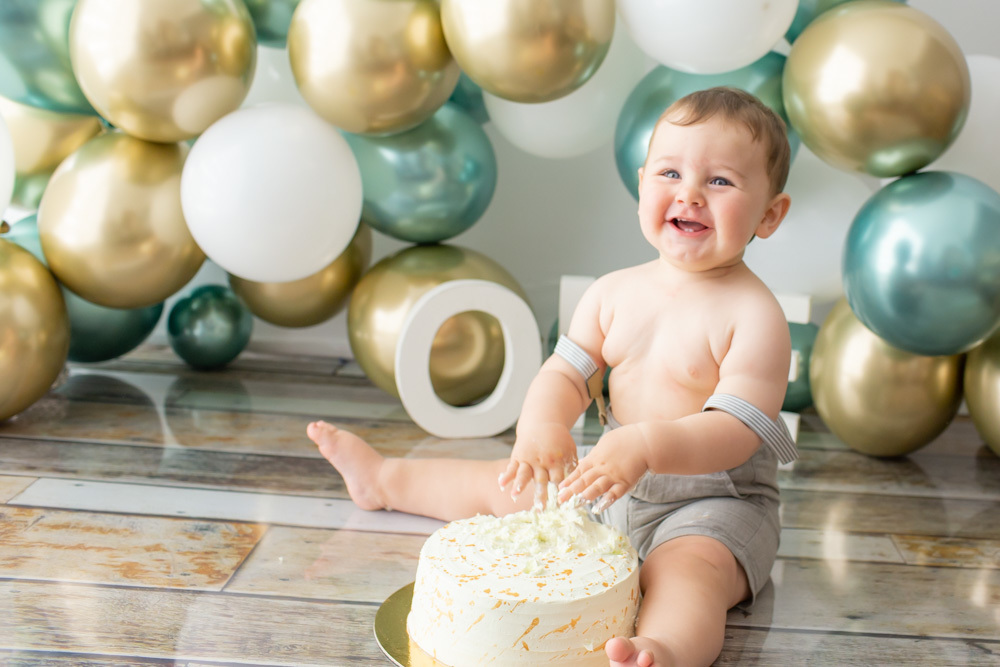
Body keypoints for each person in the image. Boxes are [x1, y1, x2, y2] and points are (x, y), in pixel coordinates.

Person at [307, 86, 796, 667]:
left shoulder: (755, 316)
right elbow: (567, 373)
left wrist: (645, 444)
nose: (689, 194)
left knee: (688, 571)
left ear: (769, 213)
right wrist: (542, 427)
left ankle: (662, 649)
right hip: (609, 480)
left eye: (720, 181)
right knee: (507, 486)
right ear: (642, 184)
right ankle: (385, 480)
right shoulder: (613, 293)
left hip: (714, 503)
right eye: (670, 172)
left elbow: (735, 431)